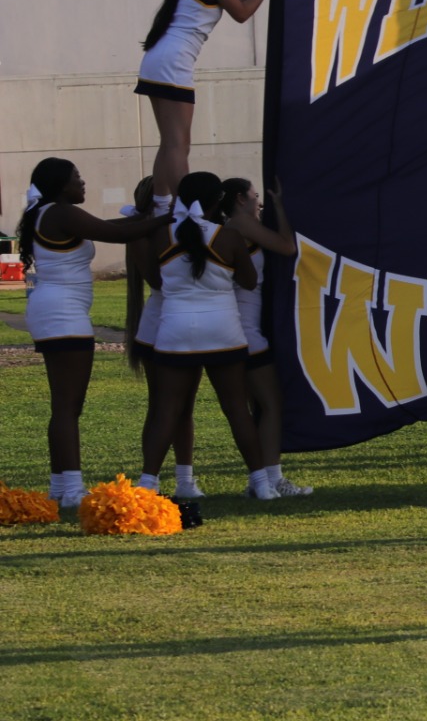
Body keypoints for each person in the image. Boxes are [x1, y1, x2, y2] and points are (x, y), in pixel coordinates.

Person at [16, 158, 169, 506]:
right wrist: (167, 219)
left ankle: (60, 485)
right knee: (69, 406)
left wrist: (142, 220)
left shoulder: (54, 212)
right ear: (60, 184)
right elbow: (115, 233)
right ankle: (71, 489)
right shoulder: (60, 212)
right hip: (62, 315)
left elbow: (105, 225)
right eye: (77, 178)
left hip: (55, 311)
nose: (83, 183)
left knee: (66, 406)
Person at [138, 172, 279, 499]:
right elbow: (247, 281)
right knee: (235, 408)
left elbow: (156, 283)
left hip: (175, 330)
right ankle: (262, 484)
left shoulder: (162, 235)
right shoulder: (227, 237)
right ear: (218, 201)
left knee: (166, 408)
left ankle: (147, 485)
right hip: (223, 330)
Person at [137, 0, 283, 202]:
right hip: (173, 61)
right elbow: (241, 13)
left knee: (170, 142)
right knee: (179, 144)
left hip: (160, 59)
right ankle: (184, 208)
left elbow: (234, 1)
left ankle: (159, 203)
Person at [218, 178, 313, 495]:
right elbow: (287, 246)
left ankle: (259, 480)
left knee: (255, 407)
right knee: (272, 404)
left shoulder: (233, 223)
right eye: (254, 196)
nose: (258, 201)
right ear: (239, 198)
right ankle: (272, 478)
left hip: (238, 327)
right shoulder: (241, 222)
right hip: (247, 330)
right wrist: (282, 209)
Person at [126, 177, 204, 497]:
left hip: (186, 325)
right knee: (162, 406)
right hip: (159, 326)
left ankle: (185, 479)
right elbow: (159, 281)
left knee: (185, 407)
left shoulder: (185, 228)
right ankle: (150, 480)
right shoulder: (143, 233)